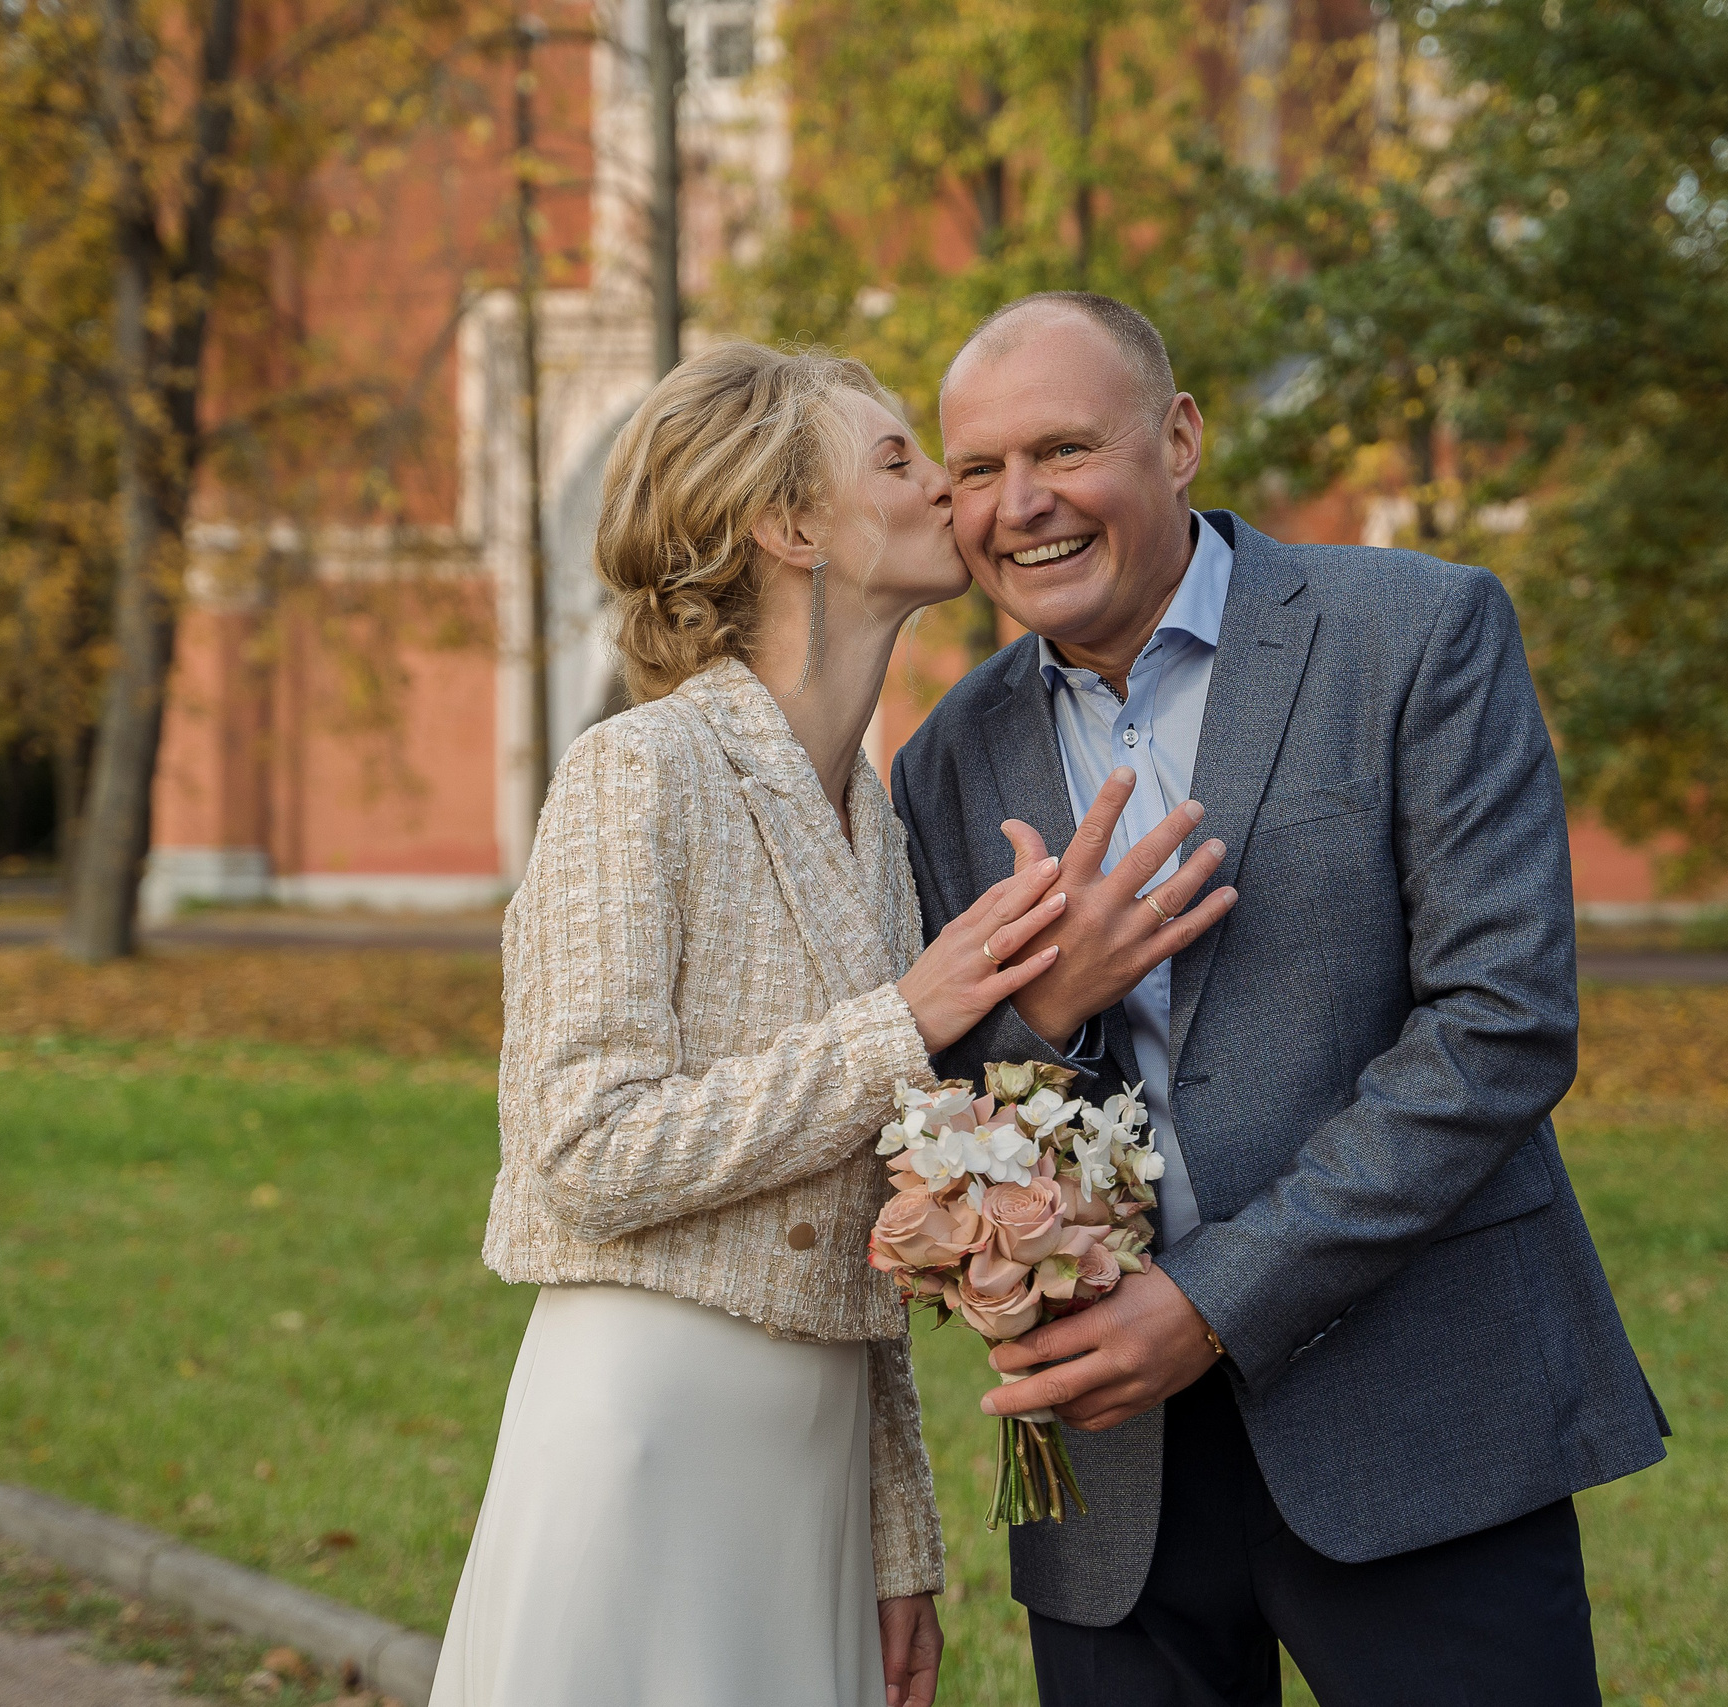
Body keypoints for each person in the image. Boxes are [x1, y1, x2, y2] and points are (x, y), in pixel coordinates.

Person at [888, 293, 1671, 1705]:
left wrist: (1211, 1303)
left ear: (1179, 438)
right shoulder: (944, 762)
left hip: (1420, 1417)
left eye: (1064, 449)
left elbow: (1500, 1024)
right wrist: (1050, 1008)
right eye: (978, 472)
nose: (1022, 507)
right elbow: (946, 1088)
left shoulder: (1414, 632)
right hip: (1110, 1483)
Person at [428, 341, 1227, 1707]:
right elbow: (578, 1149)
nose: (954, 492)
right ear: (794, 527)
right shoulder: (640, 772)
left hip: (813, 1459)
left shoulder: (880, 820)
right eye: (903, 460)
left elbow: (874, 1214)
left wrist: (896, 1535)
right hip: (648, 1424)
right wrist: (902, 1024)